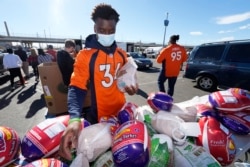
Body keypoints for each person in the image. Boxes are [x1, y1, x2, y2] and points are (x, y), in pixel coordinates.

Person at [59, 3, 138, 161]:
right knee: (99, 158)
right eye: (102, 30)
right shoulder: (85, 55)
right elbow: (76, 87)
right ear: (95, 29)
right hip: (98, 118)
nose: (107, 34)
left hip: (122, 115)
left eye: (111, 31)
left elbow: (126, 79)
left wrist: (131, 87)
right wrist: (74, 119)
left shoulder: (122, 54)